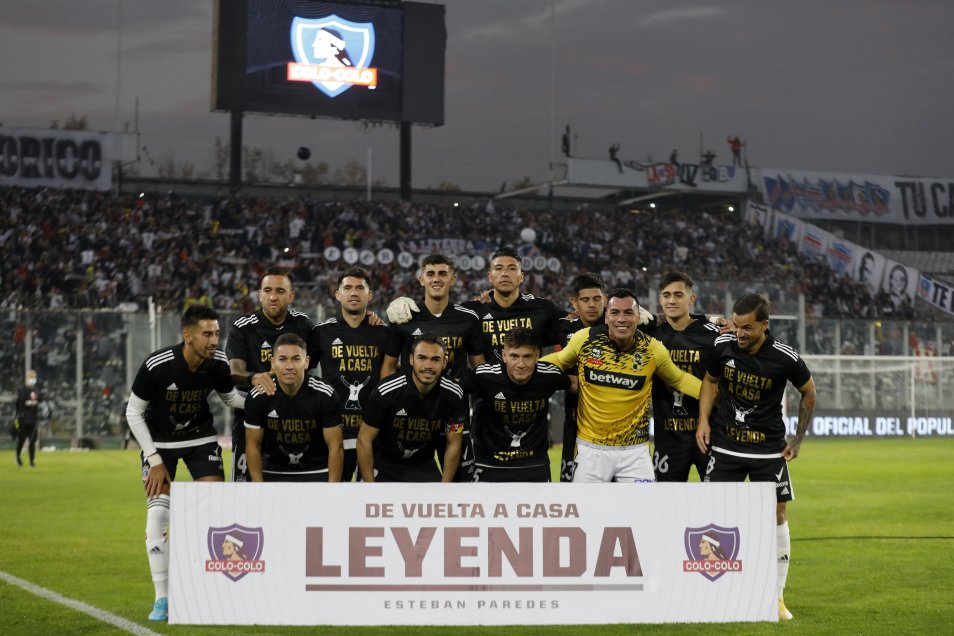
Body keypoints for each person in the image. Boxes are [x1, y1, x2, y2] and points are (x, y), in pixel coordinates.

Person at [695, 293, 816, 622]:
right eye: (737, 325)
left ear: (765, 325)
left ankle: (776, 597)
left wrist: (799, 439)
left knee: (777, 515)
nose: (740, 333)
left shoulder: (784, 357)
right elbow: (709, 380)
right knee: (714, 517)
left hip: (768, 450)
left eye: (748, 328)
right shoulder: (723, 345)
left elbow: (809, 392)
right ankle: (718, 593)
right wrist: (704, 421)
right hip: (725, 447)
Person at [125, 304, 244, 622]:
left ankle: (207, 590)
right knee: (158, 516)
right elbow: (133, 413)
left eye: (217, 333)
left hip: (200, 440)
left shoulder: (217, 363)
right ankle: (162, 599)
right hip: (159, 444)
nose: (214, 340)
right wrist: (153, 459)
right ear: (187, 336)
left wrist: (272, 398)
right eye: (207, 334)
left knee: (214, 511)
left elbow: (232, 399)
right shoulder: (158, 365)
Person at [542, 288, 701, 482]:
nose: (621, 319)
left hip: (634, 454)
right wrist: (525, 369)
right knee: (588, 511)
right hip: (591, 450)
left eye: (628, 312)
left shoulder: (652, 349)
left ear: (637, 317)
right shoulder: (585, 339)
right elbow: (559, 360)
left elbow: (679, 379)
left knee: (643, 511)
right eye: (615, 312)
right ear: (606, 316)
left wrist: (715, 395)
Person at [381, 253, 485, 480]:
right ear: (421, 279)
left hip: (454, 416)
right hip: (412, 418)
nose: (436, 279)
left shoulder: (468, 319)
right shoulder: (405, 317)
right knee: (409, 483)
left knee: (459, 487)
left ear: (453, 279)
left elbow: (481, 369)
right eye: (430, 274)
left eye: (442, 274)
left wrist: (461, 386)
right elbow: (388, 368)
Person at [226, 267, 315, 482]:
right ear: (260, 294)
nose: (272, 296)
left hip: (293, 425)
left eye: (280, 291)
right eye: (267, 290)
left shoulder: (303, 324)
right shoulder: (243, 327)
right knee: (245, 498)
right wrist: (254, 377)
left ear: (291, 296)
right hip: (252, 422)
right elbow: (234, 371)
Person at [461, 328, 569, 482]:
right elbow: (452, 391)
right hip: (489, 464)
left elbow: (579, 385)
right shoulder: (484, 376)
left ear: (537, 355)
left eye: (527, 356)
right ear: (504, 355)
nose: (521, 364)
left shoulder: (549, 375)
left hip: (535, 465)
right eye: (514, 356)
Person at [310, 266, 387, 480]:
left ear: (369, 295)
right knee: (334, 504)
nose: (354, 293)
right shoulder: (321, 332)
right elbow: (300, 373)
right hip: (334, 432)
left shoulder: (384, 332)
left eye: (360, 288)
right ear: (338, 295)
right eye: (348, 287)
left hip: (372, 433)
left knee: (371, 503)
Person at [357, 335, 467, 482]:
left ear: (444, 363)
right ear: (410, 360)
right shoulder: (385, 391)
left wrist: (444, 489)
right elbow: (364, 440)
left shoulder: (454, 394)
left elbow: (453, 443)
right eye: (422, 358)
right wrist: (371, 488)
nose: (428, 365)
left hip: (423, 465)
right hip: (383, 464)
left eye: (435, 359)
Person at [244, 333, 343, 482]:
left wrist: (332, 490)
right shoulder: (258, 396)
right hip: (272, 470)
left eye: (296, 359)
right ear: (273, 363)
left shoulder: (325, 394)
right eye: (282, 359)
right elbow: (253, 446)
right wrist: (260, 489)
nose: (289, 366)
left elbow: (336, 447)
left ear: (306, 362)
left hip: (316, 470)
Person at [650, 272, 720, 482]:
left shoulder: (713, 335)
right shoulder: (651, 336)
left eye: (678, 295)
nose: (672, 300)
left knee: (716, 503)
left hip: (708, 434)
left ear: (691, 299)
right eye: (666, 295)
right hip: (668, 437)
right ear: (660, 299)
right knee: (665, 506)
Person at [555, 273, 606, 482]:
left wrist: (711, 320)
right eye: (585, 300)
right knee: (570, 490)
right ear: (574, 302)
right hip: (575, 422)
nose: (592, 305)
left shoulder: (619, 326)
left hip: (611, 425)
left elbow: (663, 321)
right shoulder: (563, 328)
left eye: (597, 299)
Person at [14, 369, 44, 467]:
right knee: (21, 439)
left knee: (32, 441)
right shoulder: (22, 390)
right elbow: (19, 404)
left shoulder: (36, 390)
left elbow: (40, 399)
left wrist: (37, 400)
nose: (33, 379)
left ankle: (31, 461)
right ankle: (18, 457)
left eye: (34, 377)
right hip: (23, 419)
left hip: (33, 419)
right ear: (27, 378)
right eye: (31, 377)